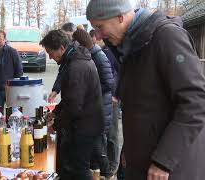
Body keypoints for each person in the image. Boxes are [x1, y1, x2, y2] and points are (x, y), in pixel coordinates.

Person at [86, 0, 205, 180]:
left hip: (171, 169)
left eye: (100, 27)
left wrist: (164, 161)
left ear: (120, 16)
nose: (99, 35)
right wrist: (130, 150)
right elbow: (139, 108)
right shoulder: (131, 45)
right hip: (143, 164)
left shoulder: (166, 37)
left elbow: (196, 103)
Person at [42, 30, 105, 180]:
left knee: (78, 168)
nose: (50, 57)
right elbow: (71, 98)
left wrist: (55, 125)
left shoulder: (76, 66)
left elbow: (74, 107)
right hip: (84, 124)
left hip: (85, 127)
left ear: (62, 48)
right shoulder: (72, 60)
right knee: (71, 165)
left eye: (51, 52)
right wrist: (56, 112)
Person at [72, 29, 115, 179]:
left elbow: (109, 83)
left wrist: (90, 90)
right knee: (95, 145)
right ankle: (101, 172)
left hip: (102, 107)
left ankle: (106, 172)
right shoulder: (89, 55)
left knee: (98, 144)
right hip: (95, 107)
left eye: (75, 42)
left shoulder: (99, 56)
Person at [90, 29, 122, 176]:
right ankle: (106, 164)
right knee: (104, 134)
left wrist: (116, 94)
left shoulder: (109, 52)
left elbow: (118, 73)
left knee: (112, 135)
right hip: (104, 98)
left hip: (112, 98)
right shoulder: (102, 51)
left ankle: (114, 164)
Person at [48, 22, 77, 103]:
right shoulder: (67, 54)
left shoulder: (77, 54)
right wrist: (56, 90)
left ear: (72, 32)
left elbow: (74, 98)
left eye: (66, 35)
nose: (64, 38)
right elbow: (62, 72)